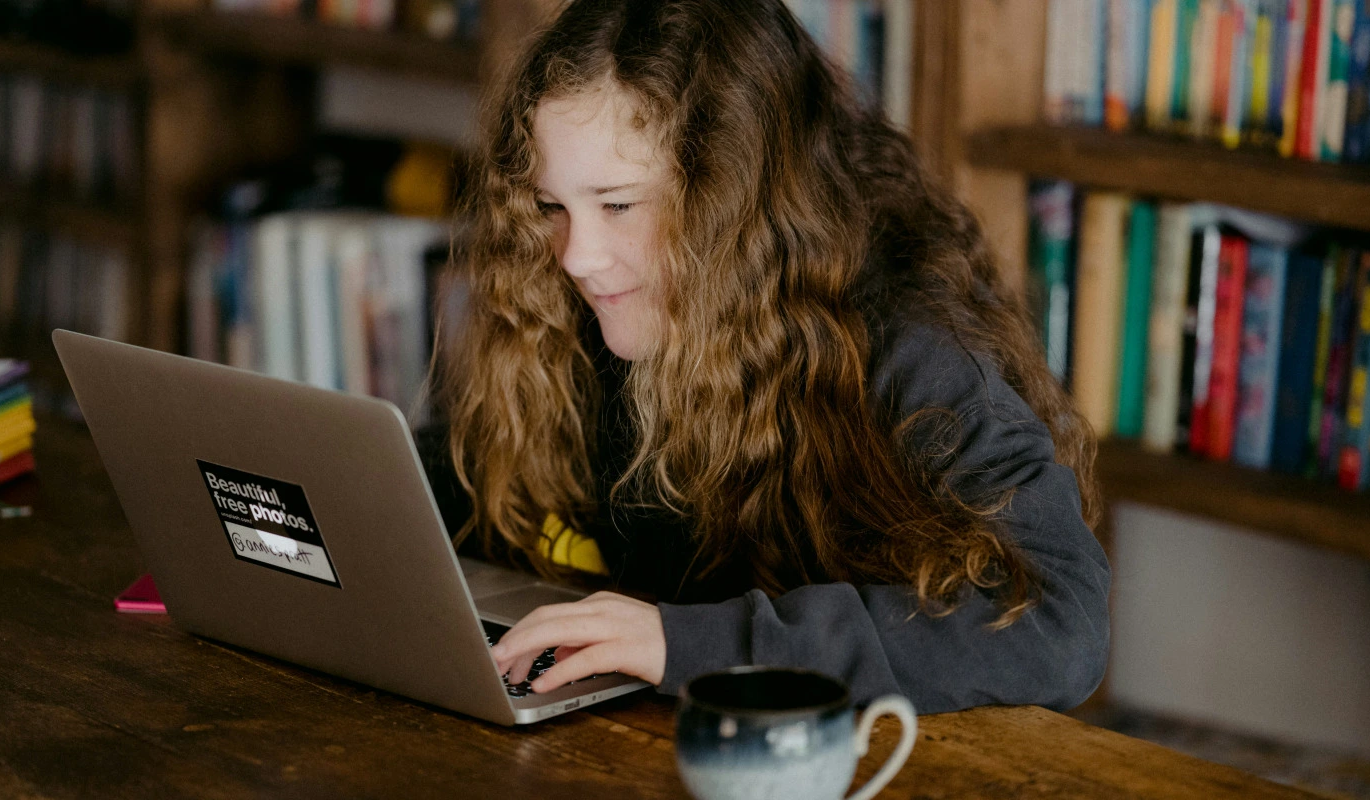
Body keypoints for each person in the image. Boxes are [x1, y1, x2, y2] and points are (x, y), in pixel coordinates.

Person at [415, 0, 1111, 715]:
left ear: (736, 196)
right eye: (551, 206)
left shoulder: (907, 343)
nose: (579, 258)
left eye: (620, 206)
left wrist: (685, 642)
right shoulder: (596, 309)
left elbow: (1061, 626)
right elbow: (481, 485)